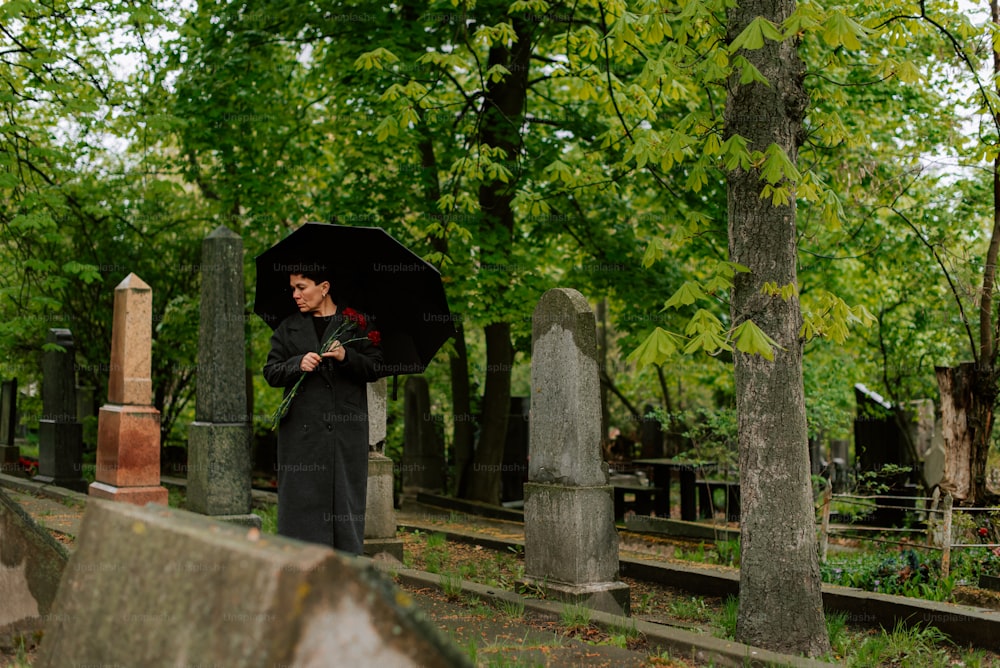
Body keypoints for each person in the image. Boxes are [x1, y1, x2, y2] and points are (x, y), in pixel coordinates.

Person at [263, 270, 382, 554]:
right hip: (302, 436)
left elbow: (376, 367)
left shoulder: (356, 325)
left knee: (344, 504)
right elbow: (270, 371)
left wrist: (346, 356)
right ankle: (300, 570)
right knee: (301, 507)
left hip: (345, 435)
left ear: (324, 287)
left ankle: (344, 573)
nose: (295, 295)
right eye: (293, 288)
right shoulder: (287, 327)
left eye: (301, 288)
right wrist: (296, 363)